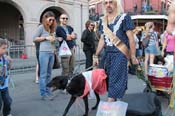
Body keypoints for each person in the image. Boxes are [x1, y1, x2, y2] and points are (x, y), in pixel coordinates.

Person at [93, 0, 138, 102]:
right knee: (109, 81)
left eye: (111, 2)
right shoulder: (102, 20)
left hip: (120, 54)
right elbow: (102, 39)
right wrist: (96, 55)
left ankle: (109, 106)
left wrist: (133, 56)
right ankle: (115, 106)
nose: (108, 5)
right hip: (107, 55)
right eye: (106, 3)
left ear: (116, 3)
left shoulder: (124, 18)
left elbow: (131, 38)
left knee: (115, 80)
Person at [33, 11, 57, 100]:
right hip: (44, 53)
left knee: (49, 74)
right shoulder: (41, 27)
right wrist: (45, 38)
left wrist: (56, 40)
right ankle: (43, 94)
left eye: (53, 20)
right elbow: (34, 38)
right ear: (45, 19)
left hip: (52, 52)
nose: (51, 21)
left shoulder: (52, 29)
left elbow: (53, 41)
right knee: (43, 74)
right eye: (50, 20)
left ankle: (48, 91)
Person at [0, 38, 13, 116]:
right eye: (3, 48)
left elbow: (9, 68)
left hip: (4, 84)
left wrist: (10, 61)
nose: (5, 50)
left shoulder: (4, 58)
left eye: (6, 48)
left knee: (8, 101)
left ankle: (7, 113)